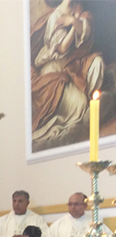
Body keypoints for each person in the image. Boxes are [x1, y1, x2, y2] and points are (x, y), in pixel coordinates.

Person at [30, 0, 104, 152]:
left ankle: (94, 102)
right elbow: (62, 48)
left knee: (98, 63)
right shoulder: (54, 17)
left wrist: (74, 20)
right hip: (54, 67)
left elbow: (85, 32)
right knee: (79, 104)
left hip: (72, 63)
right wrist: (73, 23)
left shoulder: (79, 9)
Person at [47, 192, 112, 237]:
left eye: (76, 204)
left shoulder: (95, 223)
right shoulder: (58, 225)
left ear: (85, 205)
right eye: (70, 204)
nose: (72, 207)